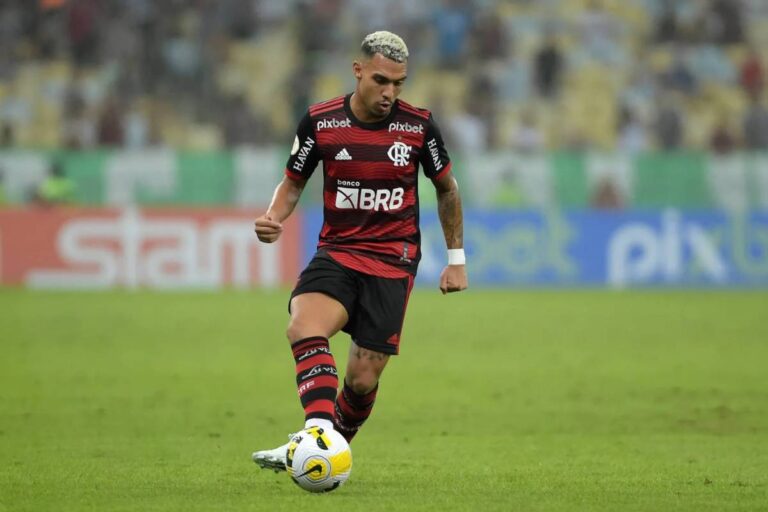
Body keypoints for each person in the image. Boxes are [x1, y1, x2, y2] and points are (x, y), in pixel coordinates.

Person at [251, 31, 468, 471]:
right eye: (380, 80)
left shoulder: (418, 126)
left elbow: (447, 189)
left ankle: (327, 449)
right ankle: (314, 441)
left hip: (393, 260)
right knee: (303, 327)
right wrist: (274, 216)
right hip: (339, 251)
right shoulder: (321, 122)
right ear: (357, 71)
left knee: (362, 380)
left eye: (399, 83)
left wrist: (456, 260)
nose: (389, 92)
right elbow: (293, 183)